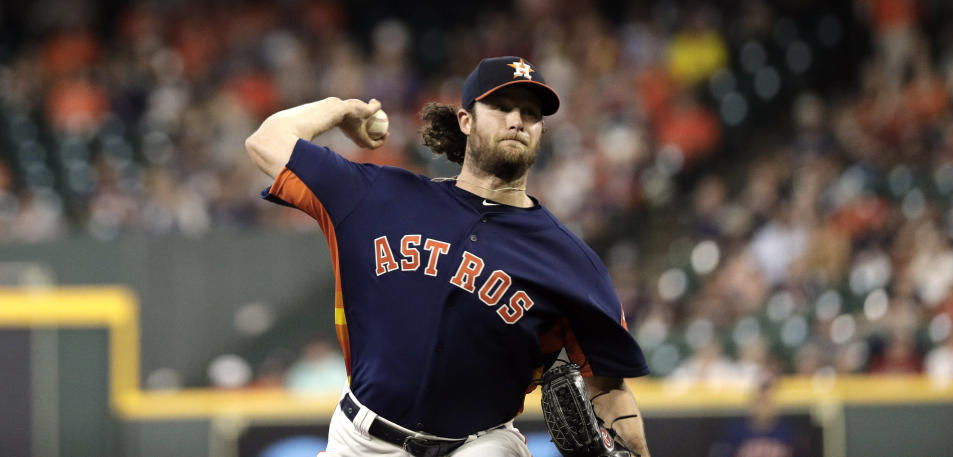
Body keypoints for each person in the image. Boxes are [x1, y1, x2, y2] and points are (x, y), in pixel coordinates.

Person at [245, 56, 652, 457]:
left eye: (531, 113)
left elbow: (609, 387)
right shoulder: (378, 197)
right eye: (501, 106)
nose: (517, 120)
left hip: (481, 444)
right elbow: (266, 141)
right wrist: (339, 109)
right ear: (466, 120)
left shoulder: (569, 260)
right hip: (362, 439)